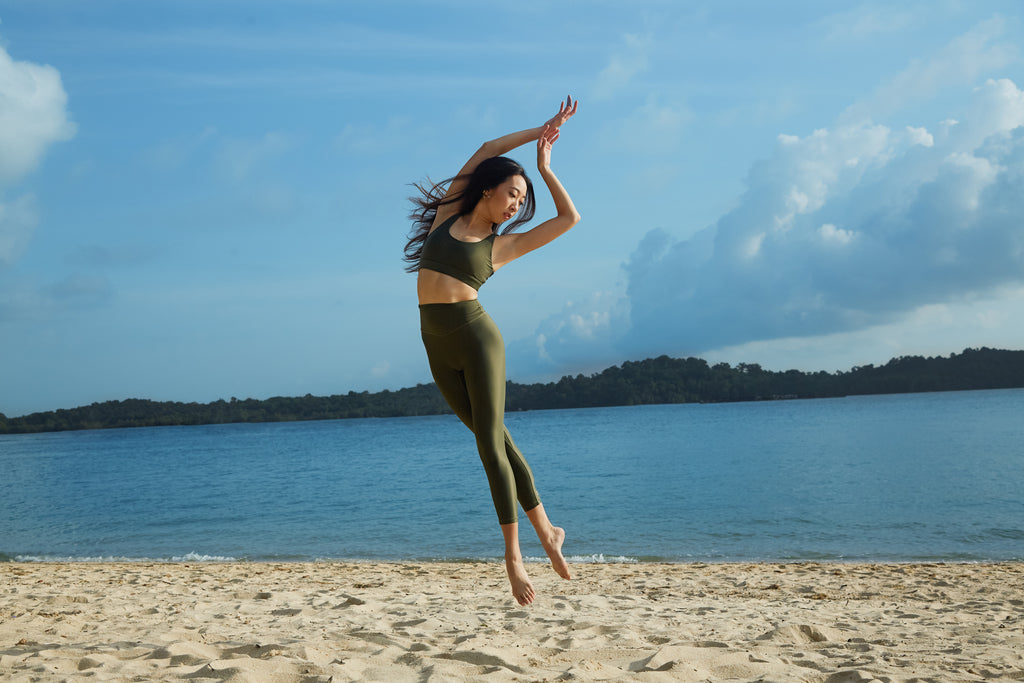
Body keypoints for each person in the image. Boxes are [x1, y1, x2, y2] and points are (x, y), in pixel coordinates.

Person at [403, 96, 580, 606]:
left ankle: (514, 556)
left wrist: (545, 169)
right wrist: (539, 132)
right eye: (512, 193)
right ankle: (549, 531)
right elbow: (486, 148)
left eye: (521, 201)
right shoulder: (444, 215)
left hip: (478, 339)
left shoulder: (502, 246)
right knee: (496, 439)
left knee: (487, 444)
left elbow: (569, 217)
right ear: (487, 187)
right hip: (435, 343)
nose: (516, 205)